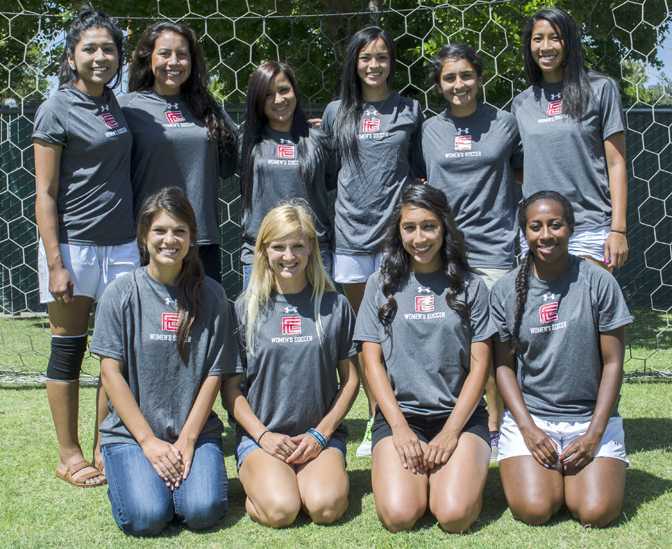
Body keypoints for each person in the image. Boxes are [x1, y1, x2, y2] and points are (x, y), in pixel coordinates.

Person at [92, 187, 241, 536]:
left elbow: (215, 375)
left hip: (193, 432)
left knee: (202, 511)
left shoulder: (213, 296)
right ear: (144, 236)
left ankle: (171, 477)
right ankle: (129, 473)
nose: (169, 240)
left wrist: (188, 440)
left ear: (192, 238)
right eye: (160, 230)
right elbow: (110, 373)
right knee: (147, 517)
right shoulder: (120, 293)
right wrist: (148, 442)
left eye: (179, 231)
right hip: (132, 435)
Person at [33, 8, 138, 488]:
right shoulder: (56, 108)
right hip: (74, 247)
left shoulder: (116, 102)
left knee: (115, 352)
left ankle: (104, 443)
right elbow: (46, 194)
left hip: (123, 246)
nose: (100, 57)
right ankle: (69, 453)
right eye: (90, 48)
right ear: (72, 56)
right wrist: (56, 263)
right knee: (69, 350)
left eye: (108, 49)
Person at [353, 184, 494, 533]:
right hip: (402, 418)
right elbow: (371, 363)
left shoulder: (472, 286)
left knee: (453, 516)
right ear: (398, 231)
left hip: (458, 419)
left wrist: (450, 434)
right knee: (400, 516)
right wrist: (399, 429)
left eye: (429, 226)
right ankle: (424, 477)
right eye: (409, 227)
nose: (419, 237)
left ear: (445, 227)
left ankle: (455, 473)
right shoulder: (379, 284)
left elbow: (480, 366)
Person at [490, 191, 632, 527]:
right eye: (535, 227)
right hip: (534, 420)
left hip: (590, 419)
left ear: (570, 228)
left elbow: (613, 364)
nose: (545, 235)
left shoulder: (598, 281)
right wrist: (528, 429)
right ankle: (552, 477)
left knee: (596, 512)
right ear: (524, 233)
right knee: (534, 509)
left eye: (555, 225)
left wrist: (595, 434)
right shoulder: (506, 289)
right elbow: (503, 367)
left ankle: (580, 474)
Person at [222, 203, 359, 528]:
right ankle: (265, 481)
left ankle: (306, 478)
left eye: (298, 245)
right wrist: (264, 436)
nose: (289, 256)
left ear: (311, 248)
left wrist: (321, 434)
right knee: (282, 511)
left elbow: (351, 381)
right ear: (263, 251)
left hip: (318, 437)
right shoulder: (244, 309)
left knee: (326, 509)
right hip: (264, 438)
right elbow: (231, 389)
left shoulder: (333, 305)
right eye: (279, 246)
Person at [321, 25, 424, 456]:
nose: (373, 65)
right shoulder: (336, 113)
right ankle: (374, 418)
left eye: (381, 57)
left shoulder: (411, 110)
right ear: (354, 63)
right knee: (365, 337)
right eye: (365, 58)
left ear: (391, 62)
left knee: (399, 330)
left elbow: (420, 172)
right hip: (349, 239)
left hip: (395, 242)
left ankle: (400, 415)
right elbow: (326, 172)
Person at [422, 43, 523, 457]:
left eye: (466, 75)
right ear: (439, 84)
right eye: (449, 77)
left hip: (497, 248)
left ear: (480, 77)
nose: (458, 84)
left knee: (499, 343)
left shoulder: (506, 124)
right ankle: (467, 422)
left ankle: (502, 425)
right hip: (446, 253)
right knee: (456, 343)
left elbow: (521, 174)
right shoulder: (428, 130)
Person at [120, 21, 238, 282]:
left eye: (182, 54)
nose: (174, 61)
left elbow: (232, 162)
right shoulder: (127, 108)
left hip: (200, 238)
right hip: (151, 239)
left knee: (203, 319)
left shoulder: (207, 108)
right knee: (151, 320)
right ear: (147, 57)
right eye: (164, 53)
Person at [513, 7, 628, 270]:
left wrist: (618, 230)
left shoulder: (601, 89)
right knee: (541, 311)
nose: (545, 46)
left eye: (555, 37)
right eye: (537, 38)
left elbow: (616, 163)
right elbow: (520, 169)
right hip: (538, 232)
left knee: (589, 310)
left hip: (589, 228)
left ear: (569, 42)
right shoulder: (521, 103)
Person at [240, 61, 335, 289]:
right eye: (268, 94)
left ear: (295, 91)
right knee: (256, 324)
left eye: (284, 90)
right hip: (260, 253)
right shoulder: (245, 140)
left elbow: (333, 180)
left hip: (313, 253)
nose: (279, 99)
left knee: (319, 324)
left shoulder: (319, 139)